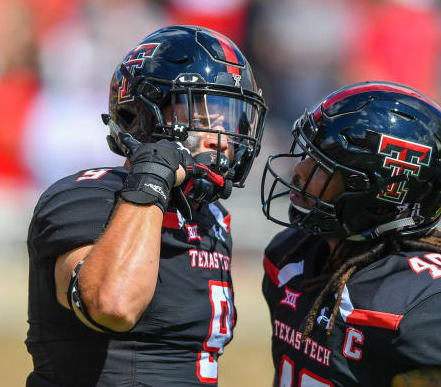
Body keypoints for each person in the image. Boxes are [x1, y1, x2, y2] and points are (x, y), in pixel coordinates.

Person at [25, 25, 267, 387]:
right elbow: (114, 305)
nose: (223, 139)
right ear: (144, 115)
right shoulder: (86, 196)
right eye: (202, 116)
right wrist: (153, 177)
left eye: (229, 118)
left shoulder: (211, 217)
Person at [260, 81, 441, 386]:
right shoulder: (294, 255)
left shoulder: (431, 303)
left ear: (380, 198)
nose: (300, 171)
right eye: (308, 154)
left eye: (322, 166)